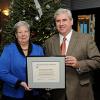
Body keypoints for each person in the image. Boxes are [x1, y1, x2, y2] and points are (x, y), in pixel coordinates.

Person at [44, 8, 100, 100]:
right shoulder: (49, 42)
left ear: (71, 21)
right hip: (58, 94)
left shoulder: (86, 39)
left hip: (80, 91)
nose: (61, 24)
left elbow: (97, 61)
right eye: (58, 21)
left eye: (64, 20)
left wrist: (78, 64)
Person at [0, 21, 44, 100]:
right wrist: (19, 82)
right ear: (16, 35)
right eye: (20, 32)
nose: (23, 34)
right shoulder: (8, 50)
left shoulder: (39, 49)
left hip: (34, 94)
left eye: (26, 31)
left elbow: (42, 70)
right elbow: (2, 72)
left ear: (29, 33)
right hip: (12, 95)